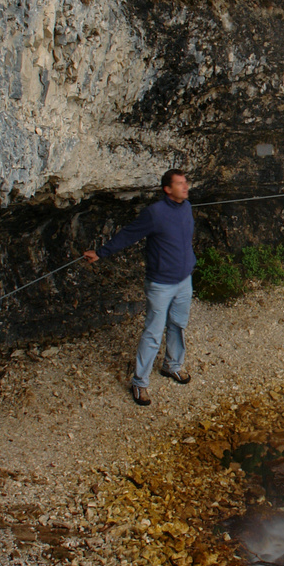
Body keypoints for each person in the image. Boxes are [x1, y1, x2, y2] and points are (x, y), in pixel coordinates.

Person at [82, 169, 197, 405]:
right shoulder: (154, 213)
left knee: (178, 325)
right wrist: (101, 253)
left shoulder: (186, 207)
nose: (185, 187)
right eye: (180, 184)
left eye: (185, 182)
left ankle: (172, 366)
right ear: (167, 189)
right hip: (161, 284)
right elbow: (129, 234)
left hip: (184, 280)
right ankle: (139, 383)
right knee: (153, 333)